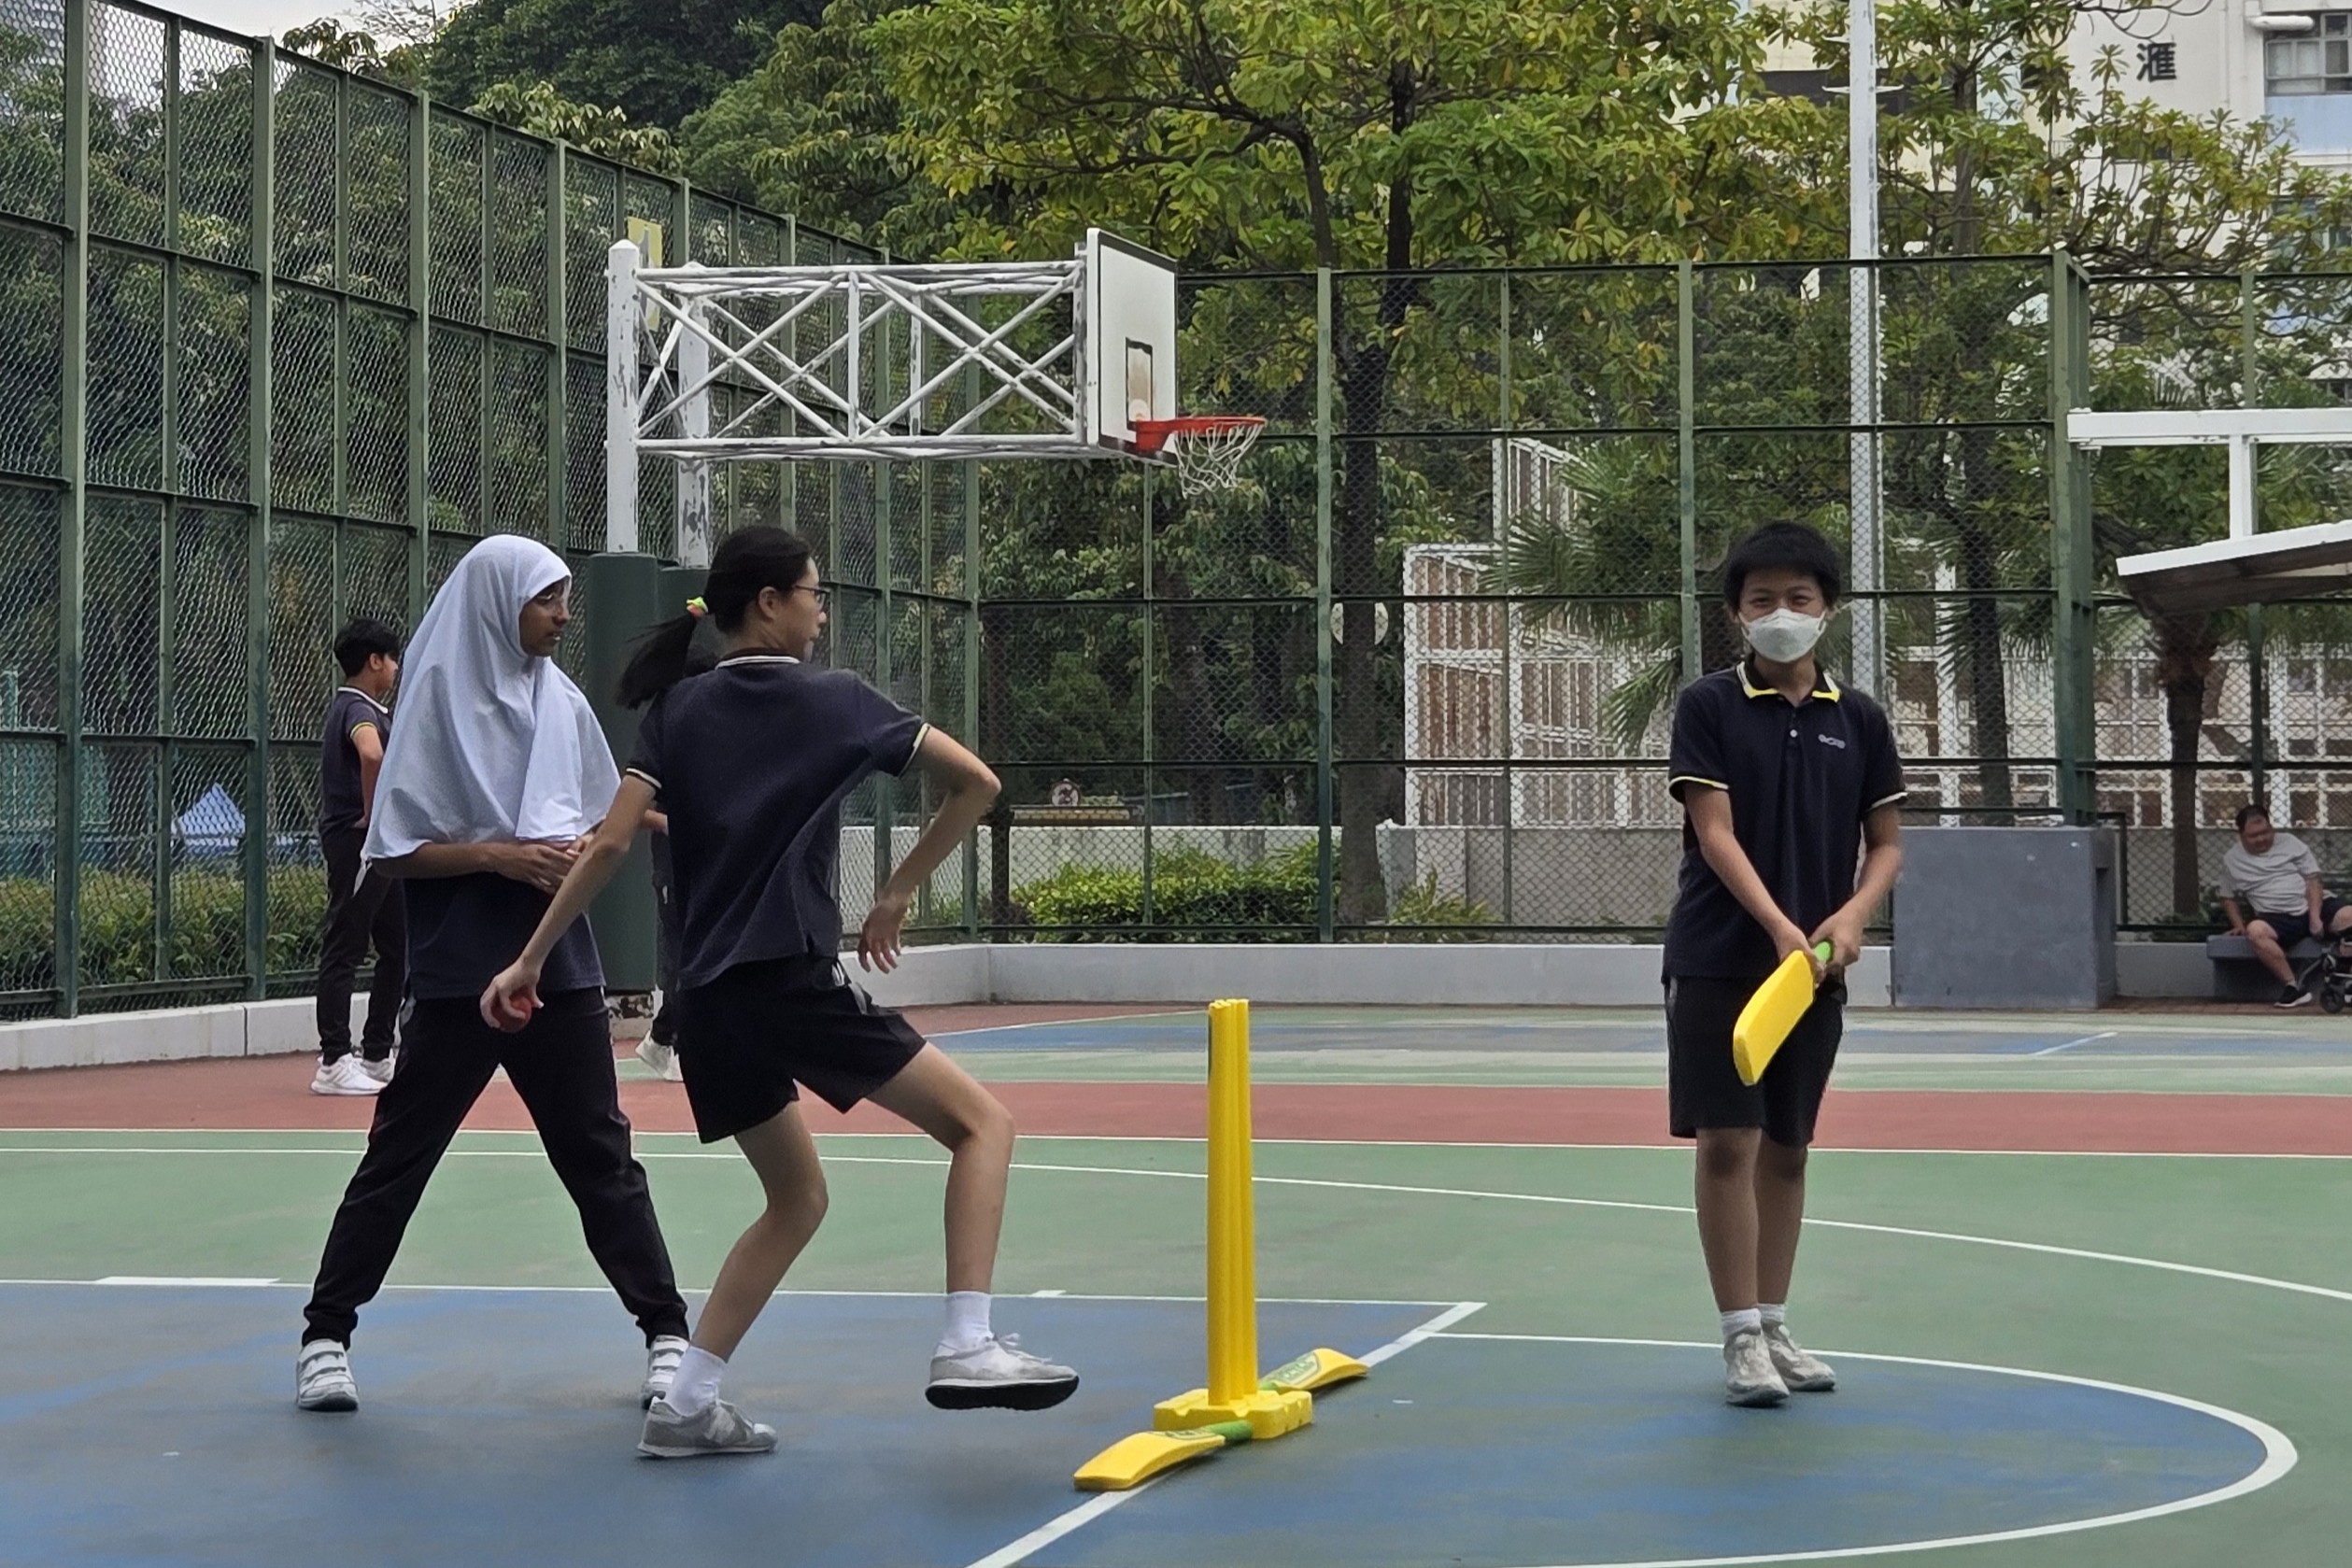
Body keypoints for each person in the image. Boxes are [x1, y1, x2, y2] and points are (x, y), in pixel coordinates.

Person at [485, 526, 1078, 1460]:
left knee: (796, 1197)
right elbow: (977, 784)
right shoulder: (836, 700)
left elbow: (608, 844)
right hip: (787, 980)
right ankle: (967, 1341)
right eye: (813, 593)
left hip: (707, 1004)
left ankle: (686, 1403)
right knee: (983, 1126)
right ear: (768, 602)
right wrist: (898, 890)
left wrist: (528, 959)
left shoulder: (677, 709)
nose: (822, 612)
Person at [293, 535, 691, 1416]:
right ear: (497, 603)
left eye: (565, 597)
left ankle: (669, 1335)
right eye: (546, 598)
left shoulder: (562, 703)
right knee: (399, 1158)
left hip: (559, 967)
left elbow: (596, 821)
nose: (563, 614)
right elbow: (395, 849)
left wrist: (576, 848)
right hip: (457, 974)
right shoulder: (431, 705)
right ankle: (325, 1336)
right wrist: (500, 855)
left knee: (600, 1157)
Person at [1662, 521, 1904, 1408]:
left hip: (1815, 970)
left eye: (1798, 597)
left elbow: (1885, 843)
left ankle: (1773, 1323)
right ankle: (1738, 1339)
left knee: (1790, 1150)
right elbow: (1713, 831)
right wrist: (1775, 924)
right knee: (1729, 1142)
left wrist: (1852, 915)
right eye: (1761, 598)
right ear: (1737, 613)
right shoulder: (1708, 706)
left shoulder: (1860, 718)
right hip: (1721, 957)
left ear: (1827, 608)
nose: (1781, 612)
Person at [311, 617, 406, 1097]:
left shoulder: (366, 708)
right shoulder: (356, 708)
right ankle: (333, 1060)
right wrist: (372, 814)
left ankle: (376, 1052)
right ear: (374, 661)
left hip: (379, 845)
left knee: (397, 945)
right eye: (392, 659)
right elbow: (371, 755)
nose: (396, 667)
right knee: (346, 944)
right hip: (358, 843)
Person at [635, 640, 719, 1085]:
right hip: (672, 860)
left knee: (704, 948)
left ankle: (664, 1035)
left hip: (709, 857)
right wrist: (673, 825)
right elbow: (631, 809)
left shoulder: (714, 735)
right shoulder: (663, 734)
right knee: (681, 950)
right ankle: (674, 1041)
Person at [2218, 803, 2352, 1007]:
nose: (2261, 839)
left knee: (2349, 916)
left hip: (2314, 905)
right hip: (2275, 917)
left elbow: (2313, 880)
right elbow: (2227, 897)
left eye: (2265, 832)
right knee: (2256, 931)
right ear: (2241, 835)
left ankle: (2346, 982)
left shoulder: (2291, 843)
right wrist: (2238, 925)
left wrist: (2315, 917)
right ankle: (2293, 987)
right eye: (2253, 835)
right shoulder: (2231, 860)